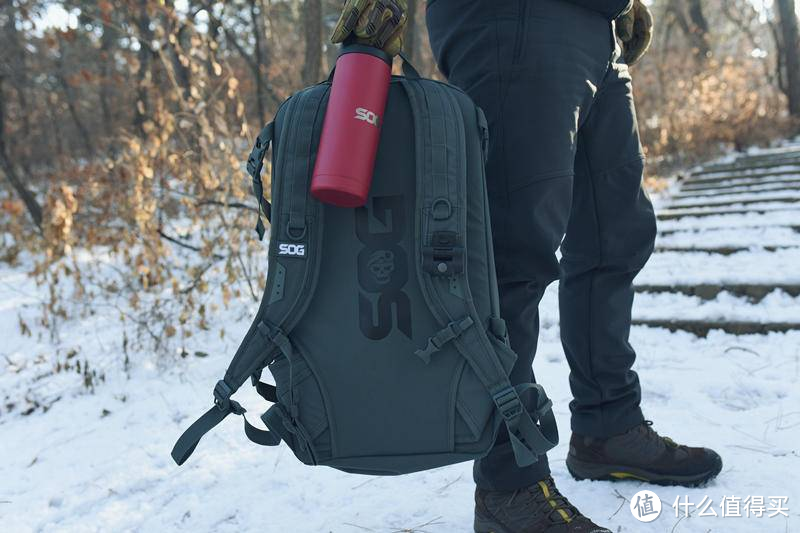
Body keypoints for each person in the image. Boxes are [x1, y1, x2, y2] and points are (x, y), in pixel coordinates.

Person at [331, 1, 722, 531]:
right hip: (512, 18)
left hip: (597, 28)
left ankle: (608, 427)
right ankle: (508, 486)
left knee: (615, 235)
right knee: (512, 255)